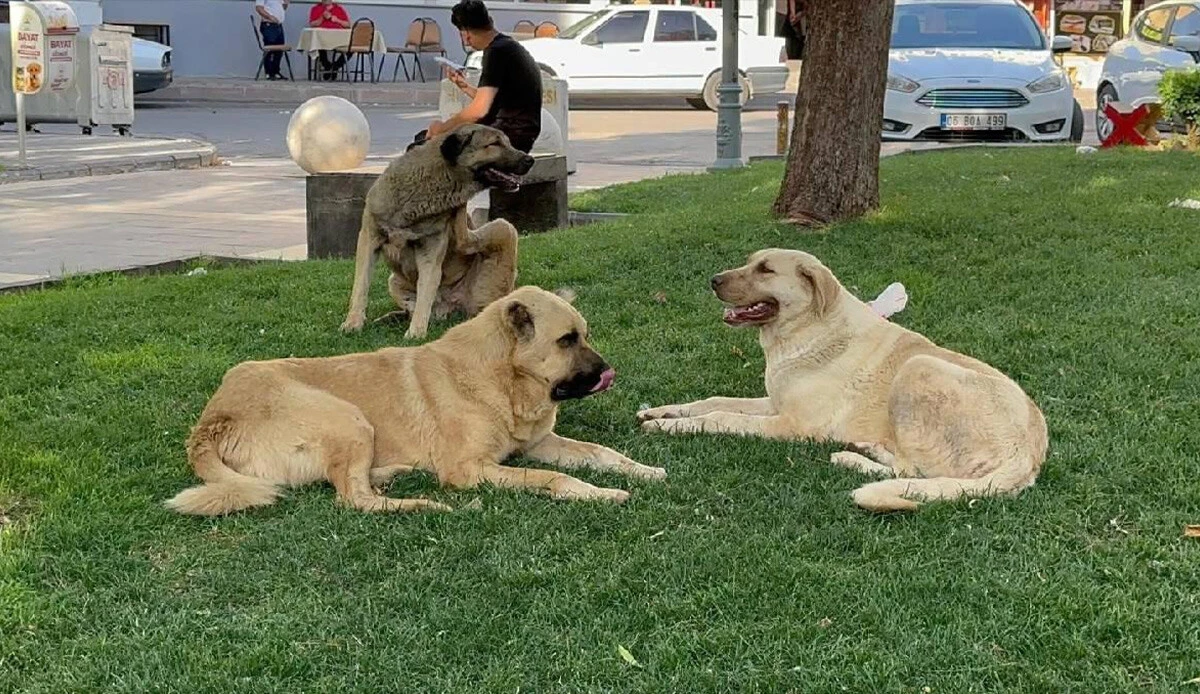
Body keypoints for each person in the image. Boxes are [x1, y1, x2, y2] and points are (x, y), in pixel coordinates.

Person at [421, 0, 543, 153]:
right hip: (519, 130)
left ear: (466, 34)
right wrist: (464, 86)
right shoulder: (506, 45)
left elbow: (479, 110)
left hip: (508, 134)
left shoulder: (496, 52)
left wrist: (442, 128)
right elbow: (494, 100)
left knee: (426, 145)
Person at [308, 0, 350, 80]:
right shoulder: (316, 8)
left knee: (351, 48)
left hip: (338, 39)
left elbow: (348, 25)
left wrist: (337, 20)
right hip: (322, 38)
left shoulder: (339, 8)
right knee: (318, 43)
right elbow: (312, 24)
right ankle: (327, 65)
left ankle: (335, 67)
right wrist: (322, 18)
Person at [255, 0, 290, 80]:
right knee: (270, 49)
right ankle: (269, 72)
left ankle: (276, 72)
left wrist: (286, 3)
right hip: (269, 25)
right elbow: (259, 8)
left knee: (279, 50)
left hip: (278, 25)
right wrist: (270, 17)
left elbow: (282, 8)